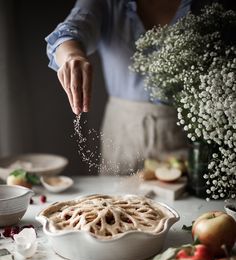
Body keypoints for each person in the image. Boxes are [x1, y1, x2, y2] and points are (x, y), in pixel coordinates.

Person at [45, 0, 218, 175]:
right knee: (113, 202)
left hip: (188, 138)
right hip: (123, 138)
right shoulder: (107, 3)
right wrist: (71, 55)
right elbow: (73, 28)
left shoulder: (209, 6)